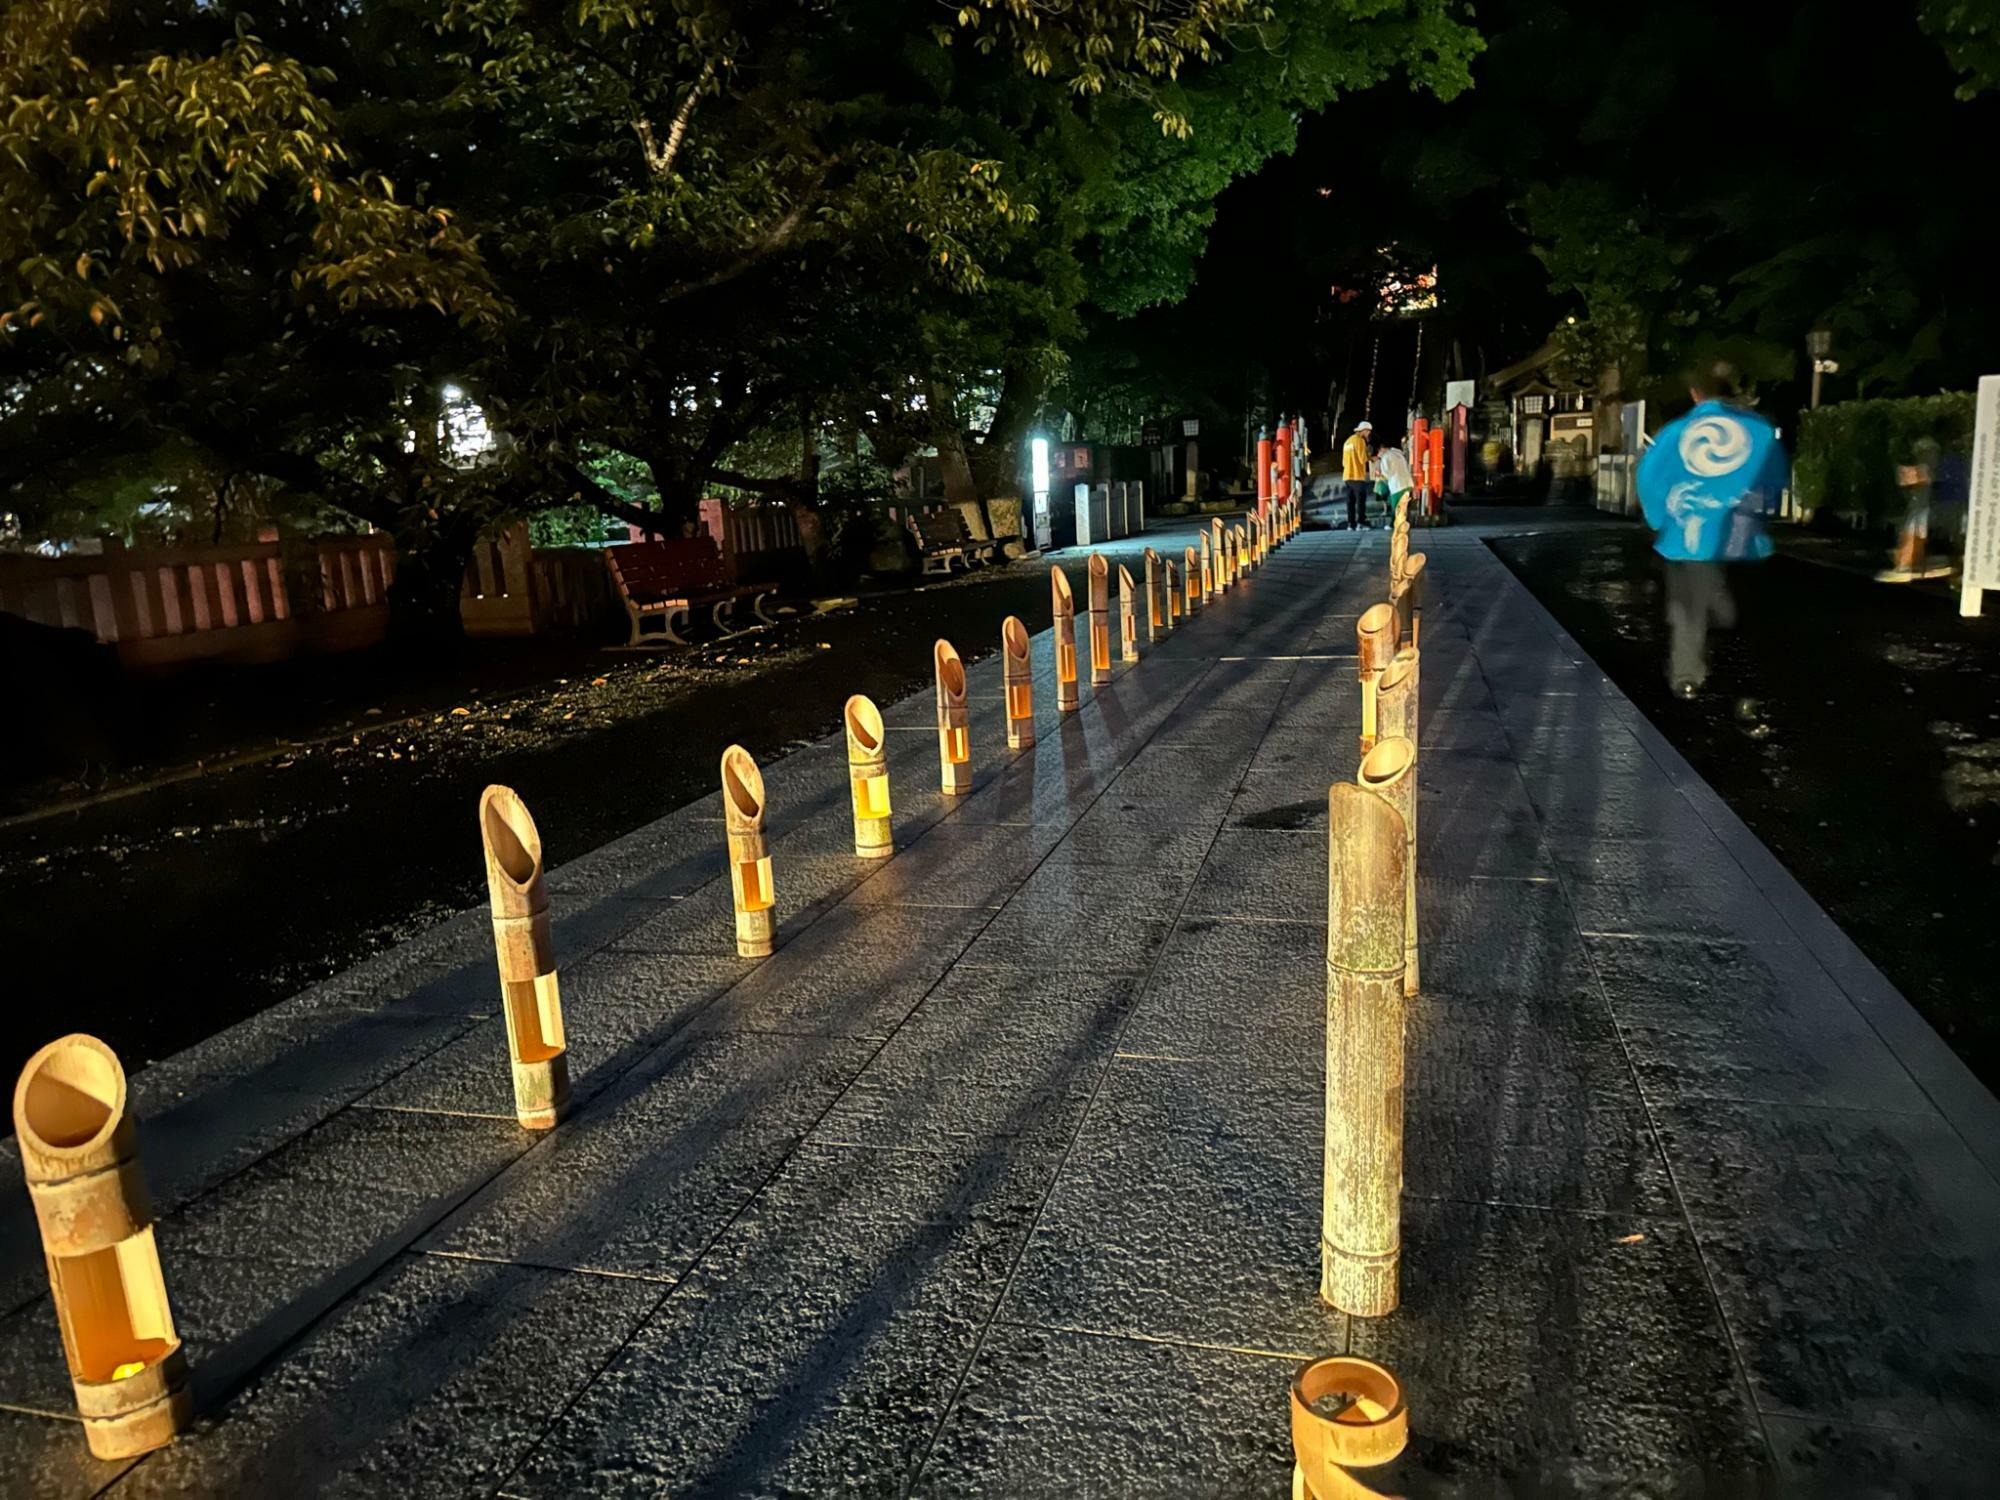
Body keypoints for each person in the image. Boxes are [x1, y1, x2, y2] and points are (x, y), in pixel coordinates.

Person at [1637, 359, 1788, 698]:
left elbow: (1649, 479)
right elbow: (1776, 480)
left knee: (1686, 607)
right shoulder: (1762, 431)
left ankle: (1687, 675)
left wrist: (1660, 521)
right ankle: (1746, 670)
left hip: (1687, 539)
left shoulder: (1675, 434)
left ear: (1694, 393)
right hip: (1745, 539)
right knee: (1732, 605)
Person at [1342, 421, 1375, 529]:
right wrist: (1371, 457)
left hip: (1347, 476)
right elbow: (1362, 459)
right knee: (1360, 500)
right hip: (1357, 475)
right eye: (1368, 432)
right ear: (1364, 430)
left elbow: (1343, 462)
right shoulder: (1360, 441)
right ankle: (1361, 522)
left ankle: (1350, 524)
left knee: (1350, 501)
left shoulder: (1347, 442)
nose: (1369, 434)